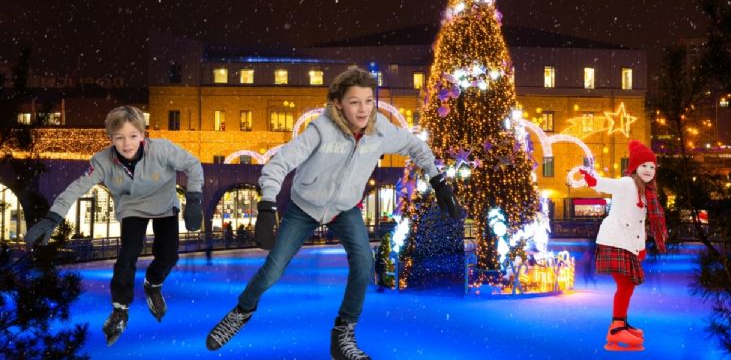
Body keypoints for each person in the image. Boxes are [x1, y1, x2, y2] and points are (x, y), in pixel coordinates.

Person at [205, 67, 461, 360]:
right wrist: (266, 205)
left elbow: (416, 146)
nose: (363, 109)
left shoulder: (380, 131)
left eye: (368, 101)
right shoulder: (321, 130)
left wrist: (438, 181)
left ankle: (343, 334)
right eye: (354, 102)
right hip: (304, 208)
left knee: (364, 262)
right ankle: (242, 311)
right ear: (339, 103)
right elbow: (280, 163)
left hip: (344, 209)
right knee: (273, 269)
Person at [24, 105, 204, 346]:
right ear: (111, 139)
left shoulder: (162, 150)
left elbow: (193, 165)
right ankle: (120, 308)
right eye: (119, 137)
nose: (127, 143)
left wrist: (193, 199)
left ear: (142, 135)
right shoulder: (102, 162)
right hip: (131, 207)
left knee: (169, 255)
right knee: (128, 254)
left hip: (164, 206)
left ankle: (153, 283)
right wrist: (53, 216)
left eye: (132, 136)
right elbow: (77, 187)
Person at [567, 140, 667, 352]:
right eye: (644, 166)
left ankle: (620, 322)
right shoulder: (627, 184)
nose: (649, 170)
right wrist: (591, 179)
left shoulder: (646, 192)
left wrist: (640, 247)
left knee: (627, 285)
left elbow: (640, 223)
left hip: (627, 243)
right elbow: (604, 184)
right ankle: (616, 327)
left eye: (652, 166)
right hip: (614, 240)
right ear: (635, 168)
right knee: (625, 284)